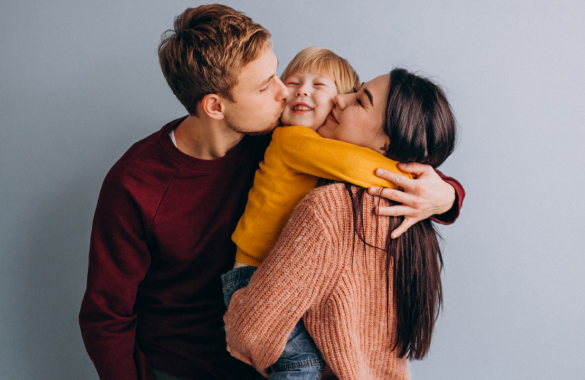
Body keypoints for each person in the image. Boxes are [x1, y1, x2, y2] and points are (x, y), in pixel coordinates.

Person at [79, 5, 465, 380]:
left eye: (278, 73)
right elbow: (106, 316)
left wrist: (446, 195)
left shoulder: (277, 137)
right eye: (267, 86)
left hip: (264, 357)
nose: (285, 92)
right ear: (215, 106)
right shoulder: (135, 184)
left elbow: (387, 147)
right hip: (182, 364)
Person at [224, 68, 457, 380]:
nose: (339, 98)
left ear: (385, 146)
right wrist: (448, 194)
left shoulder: (329, 209)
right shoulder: (415, 216)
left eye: (360, 101)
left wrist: (238, 312)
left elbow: (251, 332)